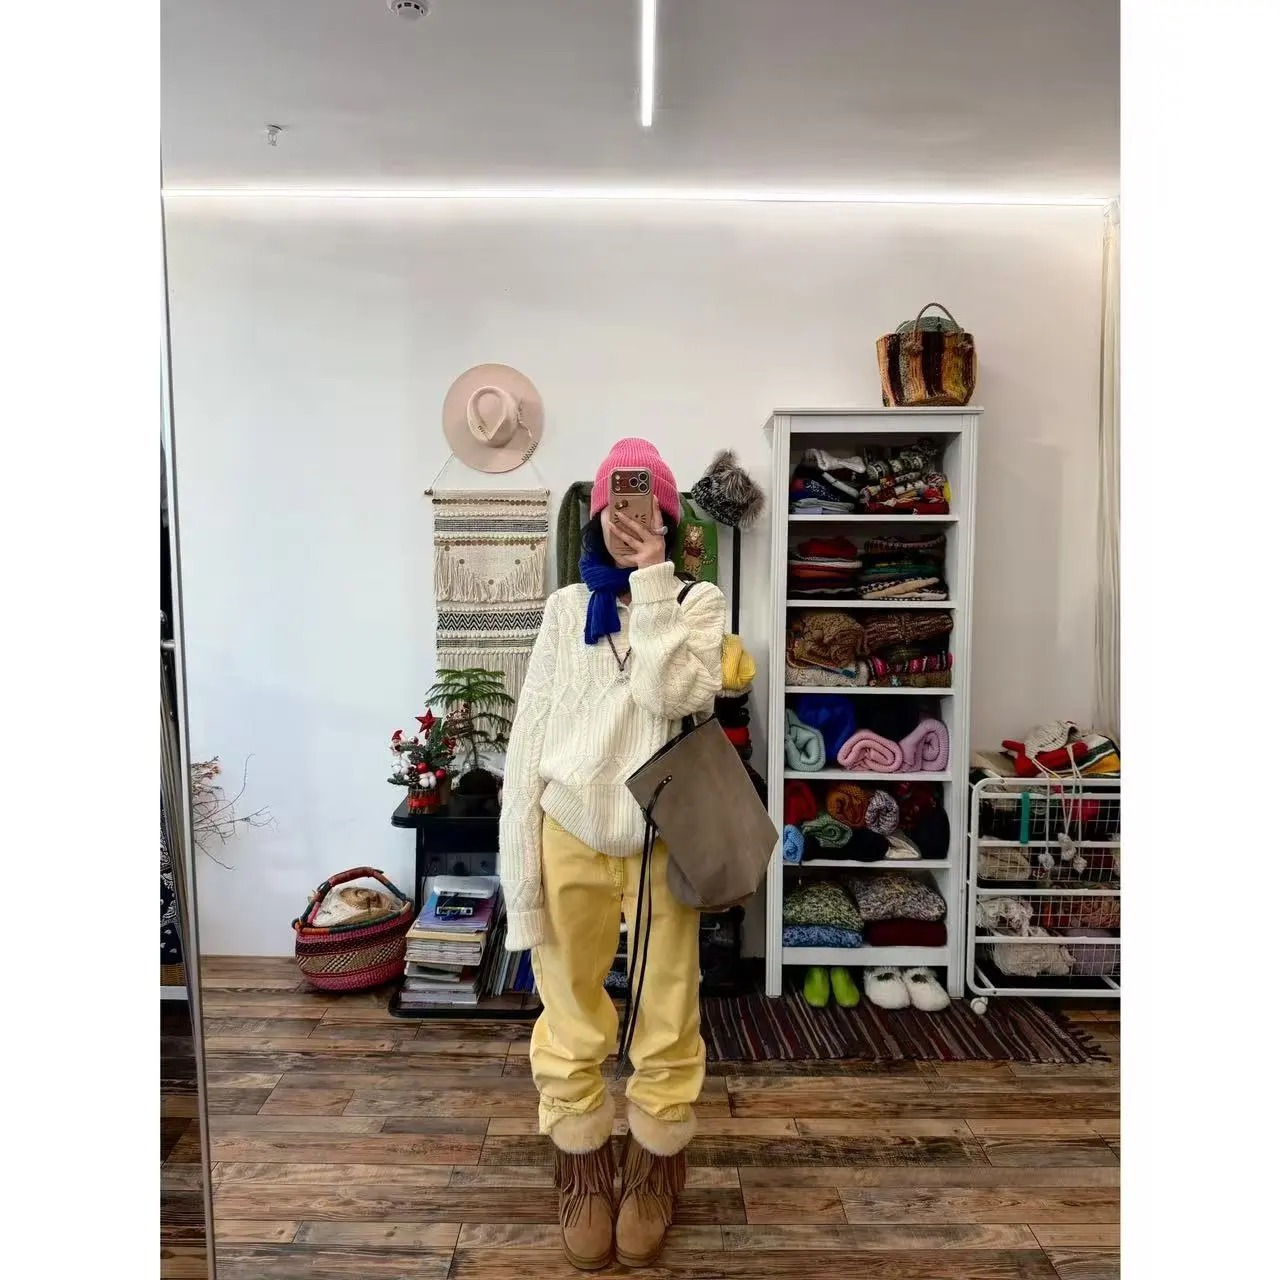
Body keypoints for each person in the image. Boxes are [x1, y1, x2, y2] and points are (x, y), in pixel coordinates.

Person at [499, 438, 726, 1271]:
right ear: (596, 514)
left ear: (665, 514)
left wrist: (656, 582)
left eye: (646, 505)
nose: (629, 518)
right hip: (568, 828)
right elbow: (530, 739)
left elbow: (676, 693)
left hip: (661, 834)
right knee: (567, 1008)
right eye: (616, 505)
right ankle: (582, 1161)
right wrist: (521, 874)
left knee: (668, 1010)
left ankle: (657, 1162)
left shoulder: (698, 601)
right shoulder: (567, 610)